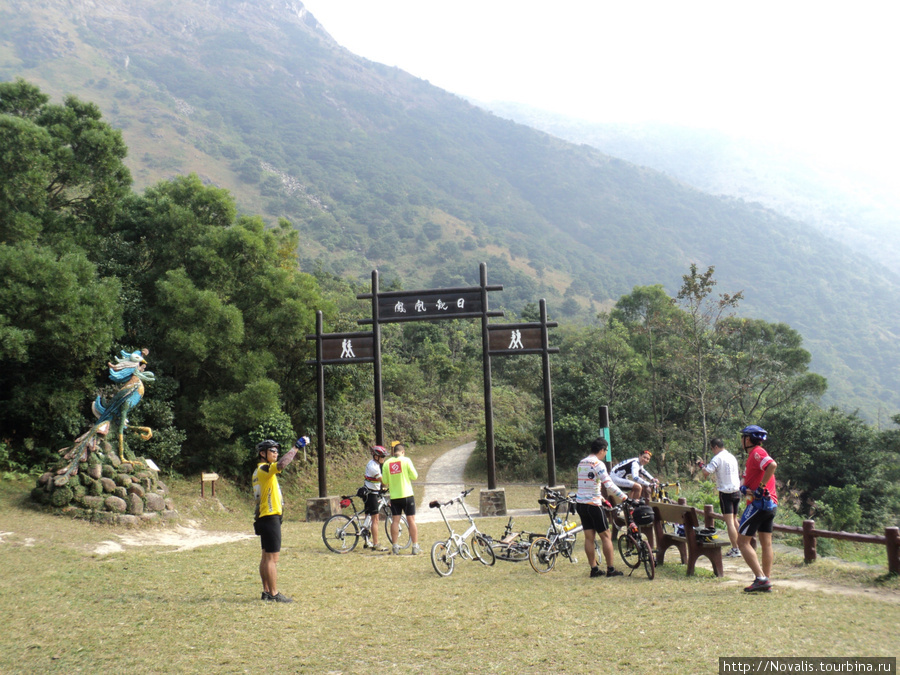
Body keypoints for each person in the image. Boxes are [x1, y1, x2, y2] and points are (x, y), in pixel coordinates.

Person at [253, 436, 309, 602]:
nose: (276, 453)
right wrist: (296, 447)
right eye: (273, 450)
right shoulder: (264, 469)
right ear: (263, 453)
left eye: (277, 450)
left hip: (264, 516)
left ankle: (266, 591)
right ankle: (274, 594)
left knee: (265, 557)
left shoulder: (258, 471)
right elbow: (283, 465)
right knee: (272, 559)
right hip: (270, 517)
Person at [576, 437, 628, 578]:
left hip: (581, 504)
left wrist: (602, 498)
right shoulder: (598, 464)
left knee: (589, 538)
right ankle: (611, 569)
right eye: (606, 450)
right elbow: (608, 484)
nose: (605, 453)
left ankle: (594, 569)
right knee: (606, 536)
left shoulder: (581, 462)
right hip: (593, 505)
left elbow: (587, 484)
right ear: (601, 450)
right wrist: (624, 497)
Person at [736, 425, 778, 593]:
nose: (741, 441)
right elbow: (748, 479)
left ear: (747, 439)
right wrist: (744, 488)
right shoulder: (753, 455)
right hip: (770, 504)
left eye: (743, 437)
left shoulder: (757, 453)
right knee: (766, 543)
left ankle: (760, 578)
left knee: (742, 541)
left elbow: (772, 465)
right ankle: (765, 579)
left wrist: (760, 487)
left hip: (758, 504)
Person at [696, 438, 742, 557]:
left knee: (729, 522)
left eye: (712, 449)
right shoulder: (732, 456)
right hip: (737, 491)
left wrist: (701, 466)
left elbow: (707, 472)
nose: (712, 451)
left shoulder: (717, 458)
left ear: (715, 447)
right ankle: (742, 545)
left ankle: (735, 549)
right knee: (735, 520)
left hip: (726, 493)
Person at [381, 441, 419, 555]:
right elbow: (415, 476)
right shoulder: (406, 460)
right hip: (407, 495)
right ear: (403, 452)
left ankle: (395, 546)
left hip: (395, 497)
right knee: (411, 520)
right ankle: (415, 546)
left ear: (394, 452)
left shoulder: (387, 463)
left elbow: (385, 481)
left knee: (395, 521)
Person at [361, 444, 389, 551]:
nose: (384, 458)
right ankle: (376, 544)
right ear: (376, 456)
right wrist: (389, 484)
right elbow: (382, 480)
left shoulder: (373, 464)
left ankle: (367, 541)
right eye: (382, 456)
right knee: (375, 519)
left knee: (368, 518)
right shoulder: (373, 467)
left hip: (369, 492)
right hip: (371, 494)